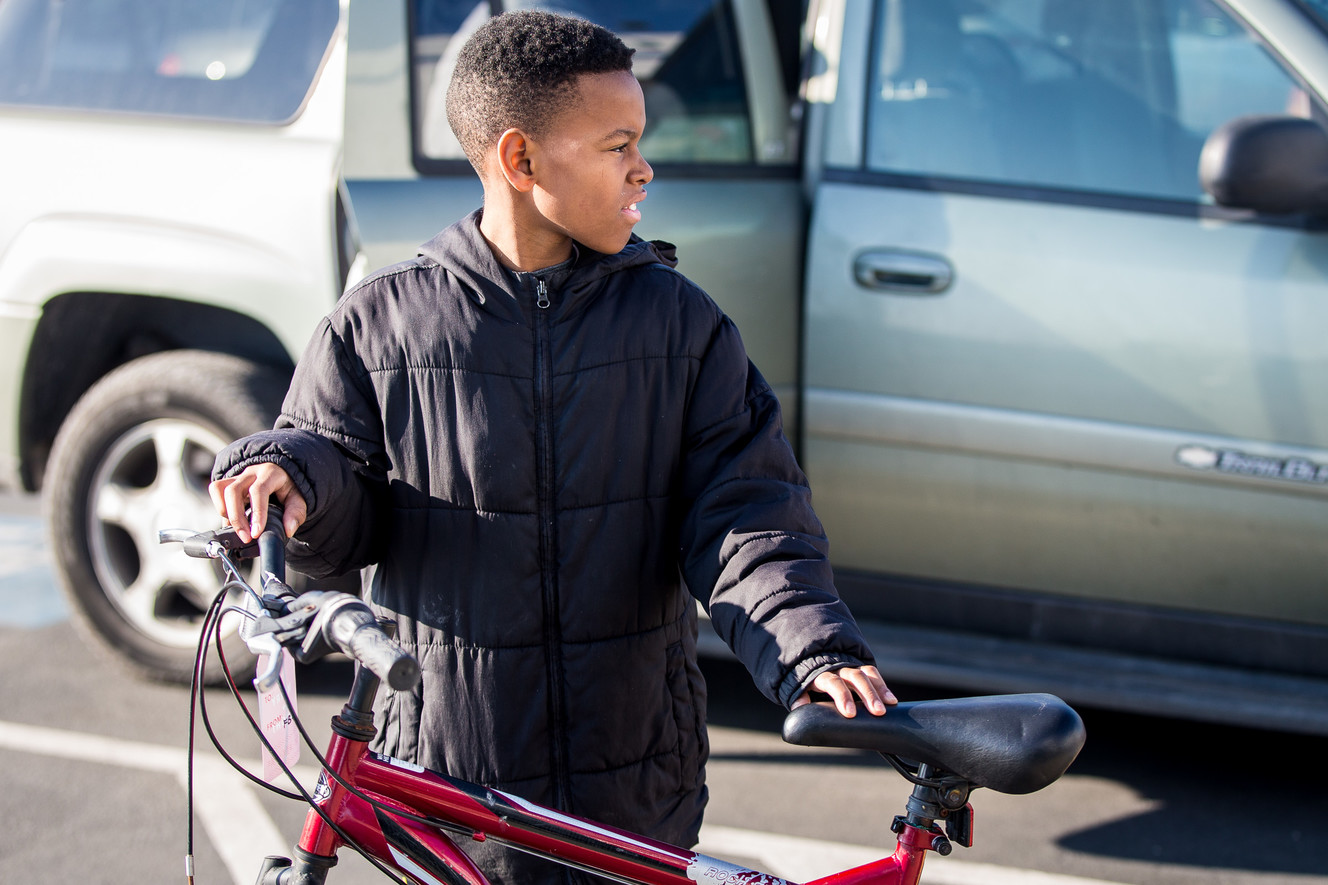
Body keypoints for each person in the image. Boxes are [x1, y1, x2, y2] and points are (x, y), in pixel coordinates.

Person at [209, 10, 894, 885]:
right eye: (618, 145)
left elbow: (748, 516)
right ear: (520, 159)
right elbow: (337, 508)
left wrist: (809, 646)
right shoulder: (377, 326)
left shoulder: (681, 326)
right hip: (454, 783)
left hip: (634, 786)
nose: (644, 167)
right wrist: (293, 474)